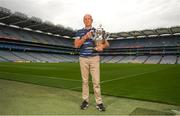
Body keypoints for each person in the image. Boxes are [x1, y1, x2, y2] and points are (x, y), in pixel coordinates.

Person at [74, 14, 109, 112]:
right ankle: (85, 101)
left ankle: (99, 102)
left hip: (94, 58)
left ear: (92, 20)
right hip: (83, 58)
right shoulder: (79, 32)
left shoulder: (98, 31)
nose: (87, 20)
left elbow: (106, 44)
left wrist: (101, 47)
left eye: (88, 18)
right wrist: (85, 37)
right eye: (85, 19)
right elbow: (76, 45)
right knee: (85, 82)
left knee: (96, 82)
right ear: (83, 21)